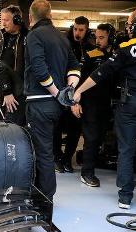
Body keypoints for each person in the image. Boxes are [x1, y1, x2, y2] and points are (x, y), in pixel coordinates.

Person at [73, 9, 136, 209]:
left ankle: (125, 197)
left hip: (129, 104)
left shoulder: (128, 47)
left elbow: (102, 72)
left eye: (130, 24)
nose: (128, 28)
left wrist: (78, 92)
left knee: (127, 149)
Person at [25, 0, 81, 200]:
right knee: (47, 149)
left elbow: (40, 70)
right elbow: (75, 67)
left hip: (40, 102)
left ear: (31, 17)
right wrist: (69, 90)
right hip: (56, 106)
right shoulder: (62, 38)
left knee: (42, 152)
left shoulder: (34, 35)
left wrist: (57, 92)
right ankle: (43, 195)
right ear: (50, 15)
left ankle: (44, 198)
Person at [71, 23, 116, 187]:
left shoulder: (118, 54)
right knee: (91, 138)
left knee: (100, 138)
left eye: (102, 37)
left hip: (107, 105)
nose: (97, 41)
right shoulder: (90, 54)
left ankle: (91, 167)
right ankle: (87, 173)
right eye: (96, 37)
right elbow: (79, 80)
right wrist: (75, 102)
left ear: (111, 37)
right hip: (89, 103)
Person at [54, 16, 95, 173]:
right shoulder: (64, 43)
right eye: (75, 29)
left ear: (87, 30)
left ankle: (66, 159)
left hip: (80, 94)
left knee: (75, 129)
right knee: (57, 128)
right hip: (62, 91)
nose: (77, 32)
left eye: (81, 30)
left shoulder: (90, 47)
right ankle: (57, 158)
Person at [0, 5, 28, 126]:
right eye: (2, 20)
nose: (3, 23)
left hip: (26, 91)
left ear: (17, 20)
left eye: (6, 20)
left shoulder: (28, 37)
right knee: (11, 127)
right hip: (10, 93)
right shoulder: (1, 38)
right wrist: (7, 91)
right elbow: (0, 67)